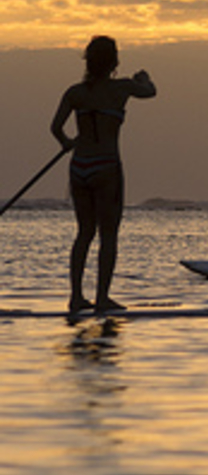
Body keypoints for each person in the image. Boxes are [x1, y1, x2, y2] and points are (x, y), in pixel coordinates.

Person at [50, 36, 157, 313]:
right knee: (108, 234)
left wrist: (66, 142)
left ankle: (75, 297)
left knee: (84, 232)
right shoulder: (122, 88)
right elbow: (150, 91)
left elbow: (55, 127)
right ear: (114, 63)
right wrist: (144, 77)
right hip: (106, 166)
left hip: (79, 167)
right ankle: (102, 298)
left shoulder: (75, 92)